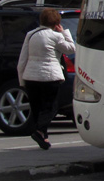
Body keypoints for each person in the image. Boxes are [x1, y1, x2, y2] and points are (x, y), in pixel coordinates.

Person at [16, 8, 76, 150]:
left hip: (31, 77)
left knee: (37, 108)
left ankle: (44, 137)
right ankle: (39, 131)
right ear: (56, 23)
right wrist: (64, 32)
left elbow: (22, 60)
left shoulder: (30, 35)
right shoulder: (56, 36)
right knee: (51, 107)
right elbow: (71, 48)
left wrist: (22, 80)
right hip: (50, 77)